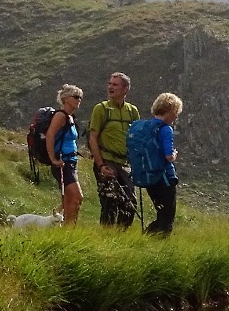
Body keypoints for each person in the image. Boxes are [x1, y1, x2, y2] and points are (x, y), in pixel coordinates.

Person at [88, 72, 140, 229]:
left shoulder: (132, 111)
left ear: (126, 89)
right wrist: (100, 165)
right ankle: (106, 241)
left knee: (130, 205)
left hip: (125, 163)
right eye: (110, 84)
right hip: (107, 161)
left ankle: (121, 239)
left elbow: (136, 138)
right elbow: (93, 138)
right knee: (109, 203)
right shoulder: (101, 109)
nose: (110, 87)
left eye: (115, 84)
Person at [45, 84, 84, 225]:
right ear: (66, 99)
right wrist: (53, 159)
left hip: (70, 162)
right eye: (76, 97)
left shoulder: (70, 117)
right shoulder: (60, 116)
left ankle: (62, 228)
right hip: (63, 163)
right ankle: (68, 229)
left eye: (80, 97)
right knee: (76, 198)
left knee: (68, 200)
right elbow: (50, 135)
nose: (79, 100)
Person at [144, 92, 181, 236]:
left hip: (148, 177)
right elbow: (168, 156)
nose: (176, 116)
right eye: (176, 112)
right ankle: (159, 245)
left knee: (161, 213)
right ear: (170, 110)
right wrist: (174, 155)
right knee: (167, 217)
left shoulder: (146, 126)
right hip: (164, 177)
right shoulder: (166, 129)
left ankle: (146, 239)